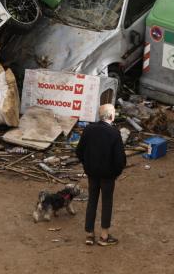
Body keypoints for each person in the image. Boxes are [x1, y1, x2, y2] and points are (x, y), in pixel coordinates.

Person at [76, 103, 126, 247]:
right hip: (108, 175)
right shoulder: (114, 133)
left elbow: (79, 152)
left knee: (92, 200)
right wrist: (116, 173)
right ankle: (104, 236)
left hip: (92, 173)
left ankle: (89, 234)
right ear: (110, 116)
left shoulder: (88, 129)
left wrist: (87, 165)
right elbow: (120, 159)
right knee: (107, 202)